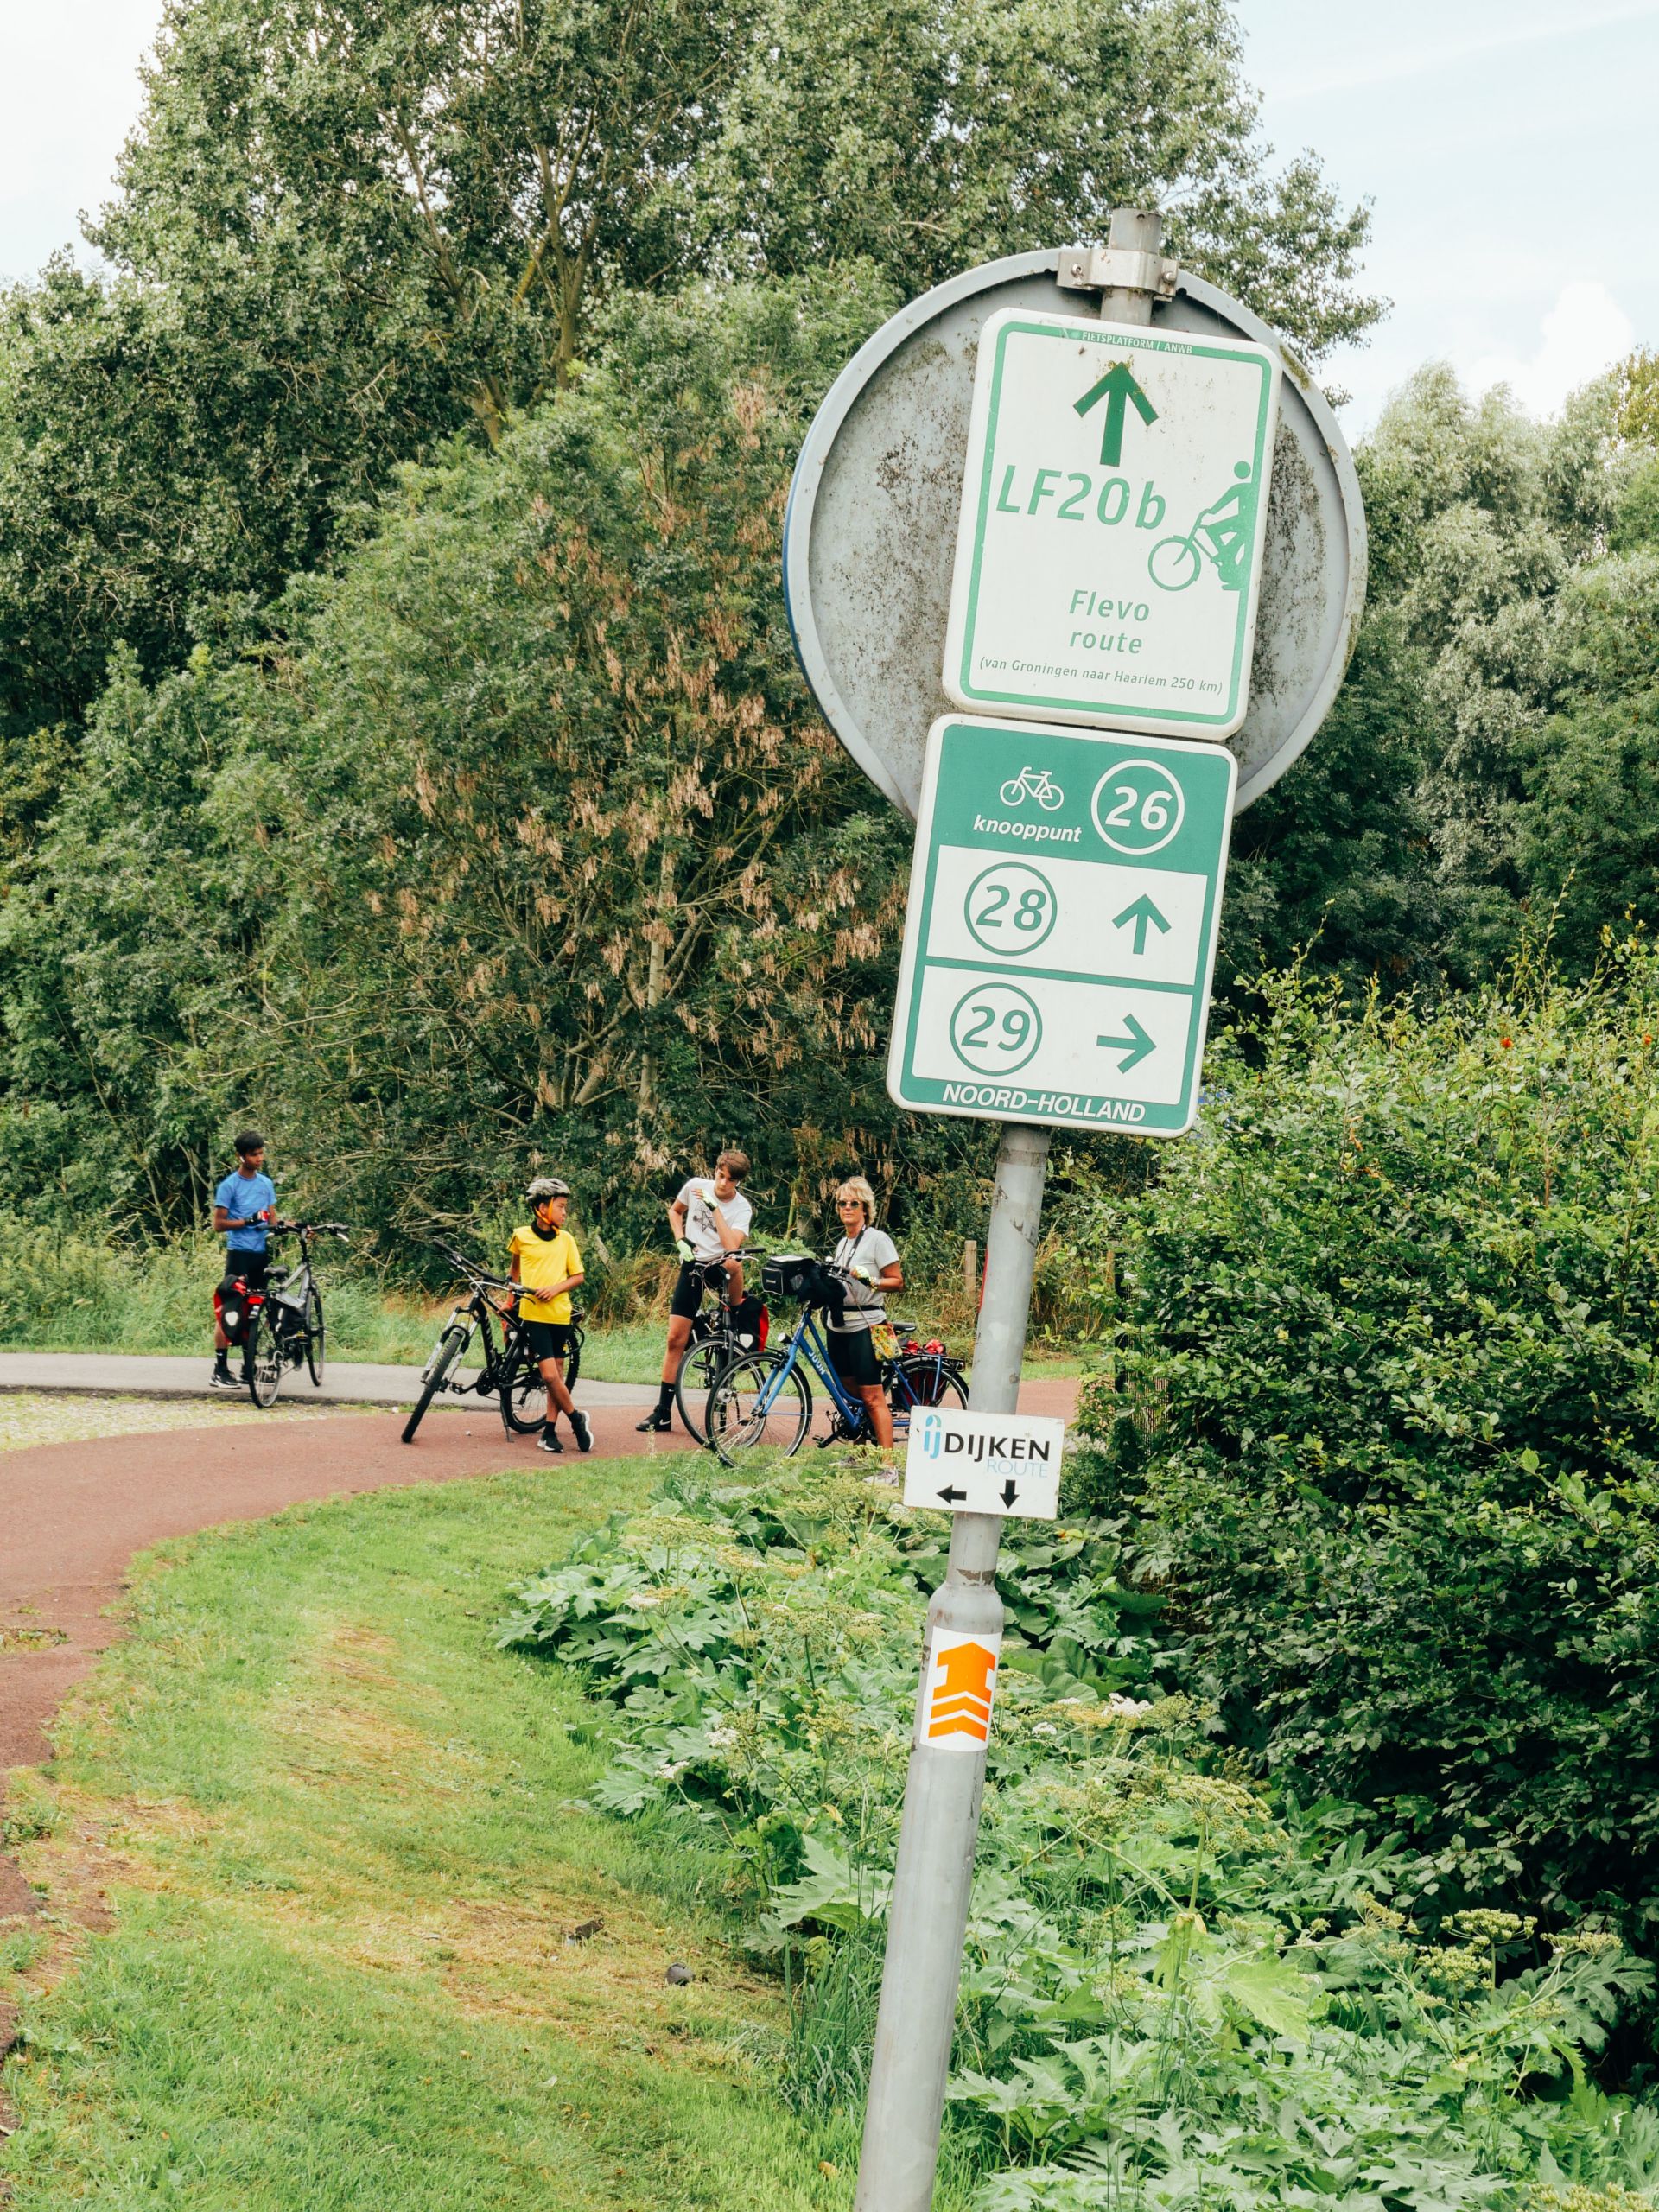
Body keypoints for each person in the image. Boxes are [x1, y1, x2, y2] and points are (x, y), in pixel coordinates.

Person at [637, 1150, 753, 1434]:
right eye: (720, 1175)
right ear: (715, 1171)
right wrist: (680, 1239)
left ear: (738, 1182)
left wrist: (714, 1207)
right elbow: (675, 1211)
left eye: (730, 1180)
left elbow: (731, 1247)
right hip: (694, 1264)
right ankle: (662, 1412)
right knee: (676, 1338)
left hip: (722, 1267)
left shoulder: (742, 1208)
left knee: (734, 1263)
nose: (723, 1183)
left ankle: (733, 1318)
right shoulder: (694, 1186)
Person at [507, 1178, 593, 1456]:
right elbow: (514, 1273)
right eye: (561, 1207)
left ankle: (550, 1432)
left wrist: (555, 1289)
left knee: (556, 1374)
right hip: (534, 1315)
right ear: (543, 1207)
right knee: (548, 1375)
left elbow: (578, 1277)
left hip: (560, 1315)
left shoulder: (566, 1240)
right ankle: (577, 1419)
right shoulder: (521, 1236)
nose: (565, 1213)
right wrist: (510, 1302)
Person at [825, 1177, 903, 1448]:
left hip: (867, 1324)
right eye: (842, 1203)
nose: (847, 1208)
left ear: (865, 1209)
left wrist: (872, 1281)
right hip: (839, 1325)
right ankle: (859, 1454)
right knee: (851, 1395)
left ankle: (888, 1466)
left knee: (872, 1397)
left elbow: (898, 1281)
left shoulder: (877, 1240)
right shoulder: (842, 1243)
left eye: (853, 1203)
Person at [210, 1129, 277, 1389]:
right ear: (241, 1157)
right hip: (238, 1255)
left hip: (260, 1256)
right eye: (253, 1154)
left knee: (257, 1312)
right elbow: (218, 1224)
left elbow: (272, 1220)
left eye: (261, 1153)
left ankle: (248, 1369)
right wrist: (246, 1221)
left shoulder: (266, 1184)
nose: (259, 1158)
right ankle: (219, 1369)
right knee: (230, 1311)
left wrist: (297, 1227)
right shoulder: (229, 1186)